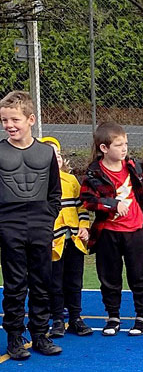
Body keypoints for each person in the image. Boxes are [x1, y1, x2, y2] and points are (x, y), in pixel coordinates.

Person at [0, 91, 62, 358]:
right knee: (14, 284)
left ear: (31, 119)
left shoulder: (46, 152)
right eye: (4, 120)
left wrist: (47, 219)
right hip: (8, 224)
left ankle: (40, 335)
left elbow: (55, 194)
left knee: (41, 282)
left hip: (40, 224)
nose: (9, 125)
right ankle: (14, 337)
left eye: (15, 119)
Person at [80, 122, 143, 337]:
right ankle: (113, 316)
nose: (124, 149)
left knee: (139, 275)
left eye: (126, 144)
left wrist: (142, 214)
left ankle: (142, 317)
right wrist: (112, 204)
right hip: (108, 232)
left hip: (134, 231)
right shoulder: (94, 173)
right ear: (104, 148)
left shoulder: (136, 167)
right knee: (109, 276)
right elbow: (87, 200)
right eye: (119, 145)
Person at [40, 136, 93, 338]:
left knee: (74, 280)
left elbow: (82, 208)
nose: (57, 158)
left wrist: (84, 227)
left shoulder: (71, 181)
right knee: (55, 282)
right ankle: (57, 319)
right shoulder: (40, 184)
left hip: (73, 241)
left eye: (59, 154)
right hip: (53, 242)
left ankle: (75, 318)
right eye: (52, 155)